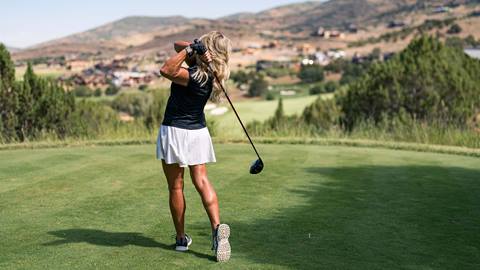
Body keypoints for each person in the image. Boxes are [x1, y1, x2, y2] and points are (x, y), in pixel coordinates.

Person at [158, 31, 232, 262]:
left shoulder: (191, 75)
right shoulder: (210, 73)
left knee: (176, 187)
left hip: (175, 131)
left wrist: (190, 50)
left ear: (208, 49)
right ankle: (217, 228)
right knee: (201, 181)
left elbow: (166, 70)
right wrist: (196, 47)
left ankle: (181, 239)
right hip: (198, 133)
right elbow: (175, 43)